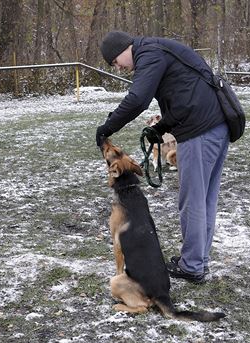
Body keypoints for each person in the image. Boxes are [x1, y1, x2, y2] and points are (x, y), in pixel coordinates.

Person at [96, 31, 229, 284]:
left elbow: (138, 99)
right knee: (204, 199)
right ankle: (197, 261)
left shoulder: (148, 54)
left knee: (193, 201)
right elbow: (184, 97)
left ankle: (192, 266)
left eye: (115, 62)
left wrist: (108, 127)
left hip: (200, 131)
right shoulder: (156, 49)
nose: (119, 68)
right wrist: (161, 127)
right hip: (215, 126)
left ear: (122, 49)